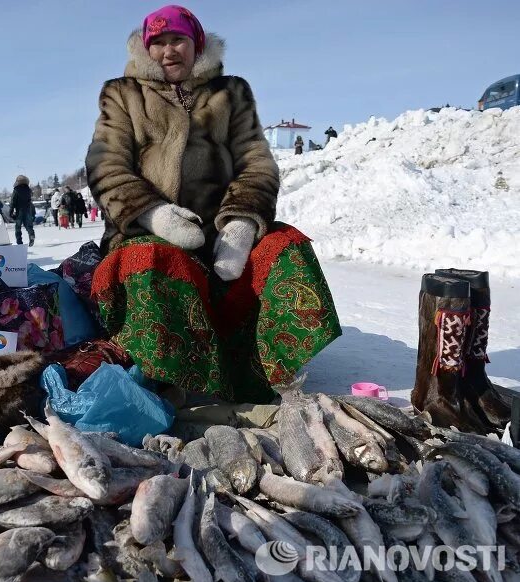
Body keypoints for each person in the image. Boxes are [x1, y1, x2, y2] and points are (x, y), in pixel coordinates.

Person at [85, 5, 340, 404]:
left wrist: (240, 225)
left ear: (196, 44)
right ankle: (175, 377)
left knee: (286, 246)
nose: (169, 51)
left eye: (179, 40)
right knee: (150, 260)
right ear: (146, 50)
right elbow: (106, 163)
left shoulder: (231, 92)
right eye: (159, 43)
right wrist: (156, 215)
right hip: (146, 233)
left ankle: (264, 367)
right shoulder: (122, 94)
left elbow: (257, 159)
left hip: (219, 236)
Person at [10, 175, 35, 246]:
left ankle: (19, 242)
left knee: (18, 227)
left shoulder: (16, 190)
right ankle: (31, 235)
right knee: (29, 225)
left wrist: (11, 211)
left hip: (19, 210)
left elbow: (13, 201)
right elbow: (29, 201)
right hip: (28, 210)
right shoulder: (28, 190)